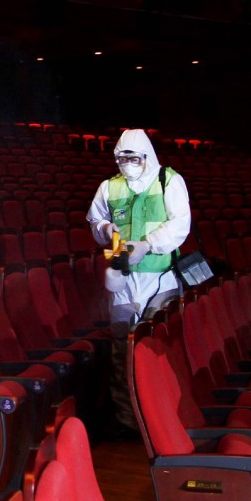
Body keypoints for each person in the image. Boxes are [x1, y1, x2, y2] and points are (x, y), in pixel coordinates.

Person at [85, 128, 191, 437]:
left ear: (146, 157)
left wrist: (148, 244)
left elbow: (180, 225)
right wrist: (104, 229)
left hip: (160, 278)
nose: (127, 163)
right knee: (121, 348)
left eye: (132, 158)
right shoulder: (110, 187)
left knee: (156, 347)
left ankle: (160, 416)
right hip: (123, 279)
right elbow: (94, 220)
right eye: (121, 159)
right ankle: (127, 420)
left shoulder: (169, 182)